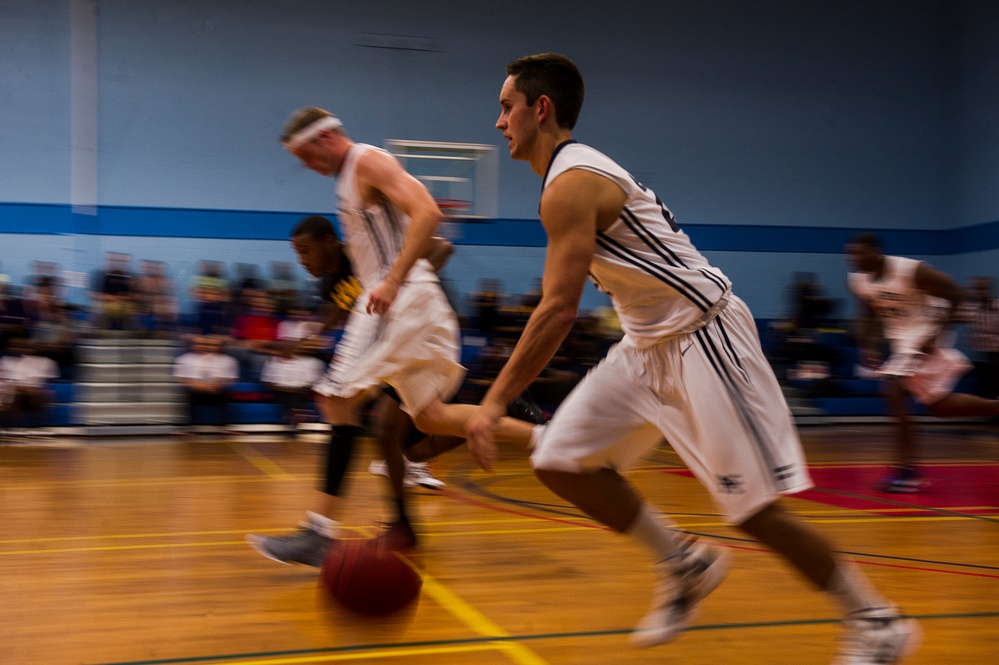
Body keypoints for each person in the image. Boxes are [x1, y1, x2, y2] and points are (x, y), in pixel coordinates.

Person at [464, 53, 919, 664]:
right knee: (558, 459)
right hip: (644, 344)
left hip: (705, 336)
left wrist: (492, 403)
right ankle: (684, 564)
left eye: (506, 107)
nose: (499, 122)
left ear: (540, 108)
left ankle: (878, 622)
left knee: (752, 510)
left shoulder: (571, 183)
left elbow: (557, 310)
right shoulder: (566, 180)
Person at [246, 209, 533, 567]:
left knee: (355, 412)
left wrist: (405, 285)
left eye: (306, 250)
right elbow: (335, 315)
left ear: (330, 242)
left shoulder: (363, 253)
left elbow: (442, 247)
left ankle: (341, 529)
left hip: (418, 330)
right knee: (418, 435)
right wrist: (299, 343)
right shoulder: (331, 282)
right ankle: (509, 417)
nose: (301, 260)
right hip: (397, 340)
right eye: (297, 253)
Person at [846, 233, 999, 492]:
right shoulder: (858, 280)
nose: (854, 259)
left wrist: (936, 333)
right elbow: (868, 312)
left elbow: (958, 295)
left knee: (892, 390)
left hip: (925, 331)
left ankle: (907, 473)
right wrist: (868, 344)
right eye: (850, 254)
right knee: (938, 406)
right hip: (902, 340)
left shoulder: (910, 270)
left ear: (876, 251)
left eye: (859, 253)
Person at [172, 335, 239, 435]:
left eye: (205, 344)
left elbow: (231, 378)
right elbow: (180, 378)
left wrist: (214, 385)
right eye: (199, 344)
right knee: (189, 395)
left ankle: (224, 427)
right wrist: (199, 386)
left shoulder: (228, 360)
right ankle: (188, 428)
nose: (203, 346)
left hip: (216, 388)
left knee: (224, 395)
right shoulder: (184, 359)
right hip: (195, 388)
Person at [961, 276, 999, 400]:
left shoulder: (996, 305)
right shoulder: (970, 307)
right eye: (978, 289)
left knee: (994, 380)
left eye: (983, 289)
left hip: (996, 352)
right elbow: (957, 315)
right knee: (986, 382)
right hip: (983, 353)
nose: (981, 292)